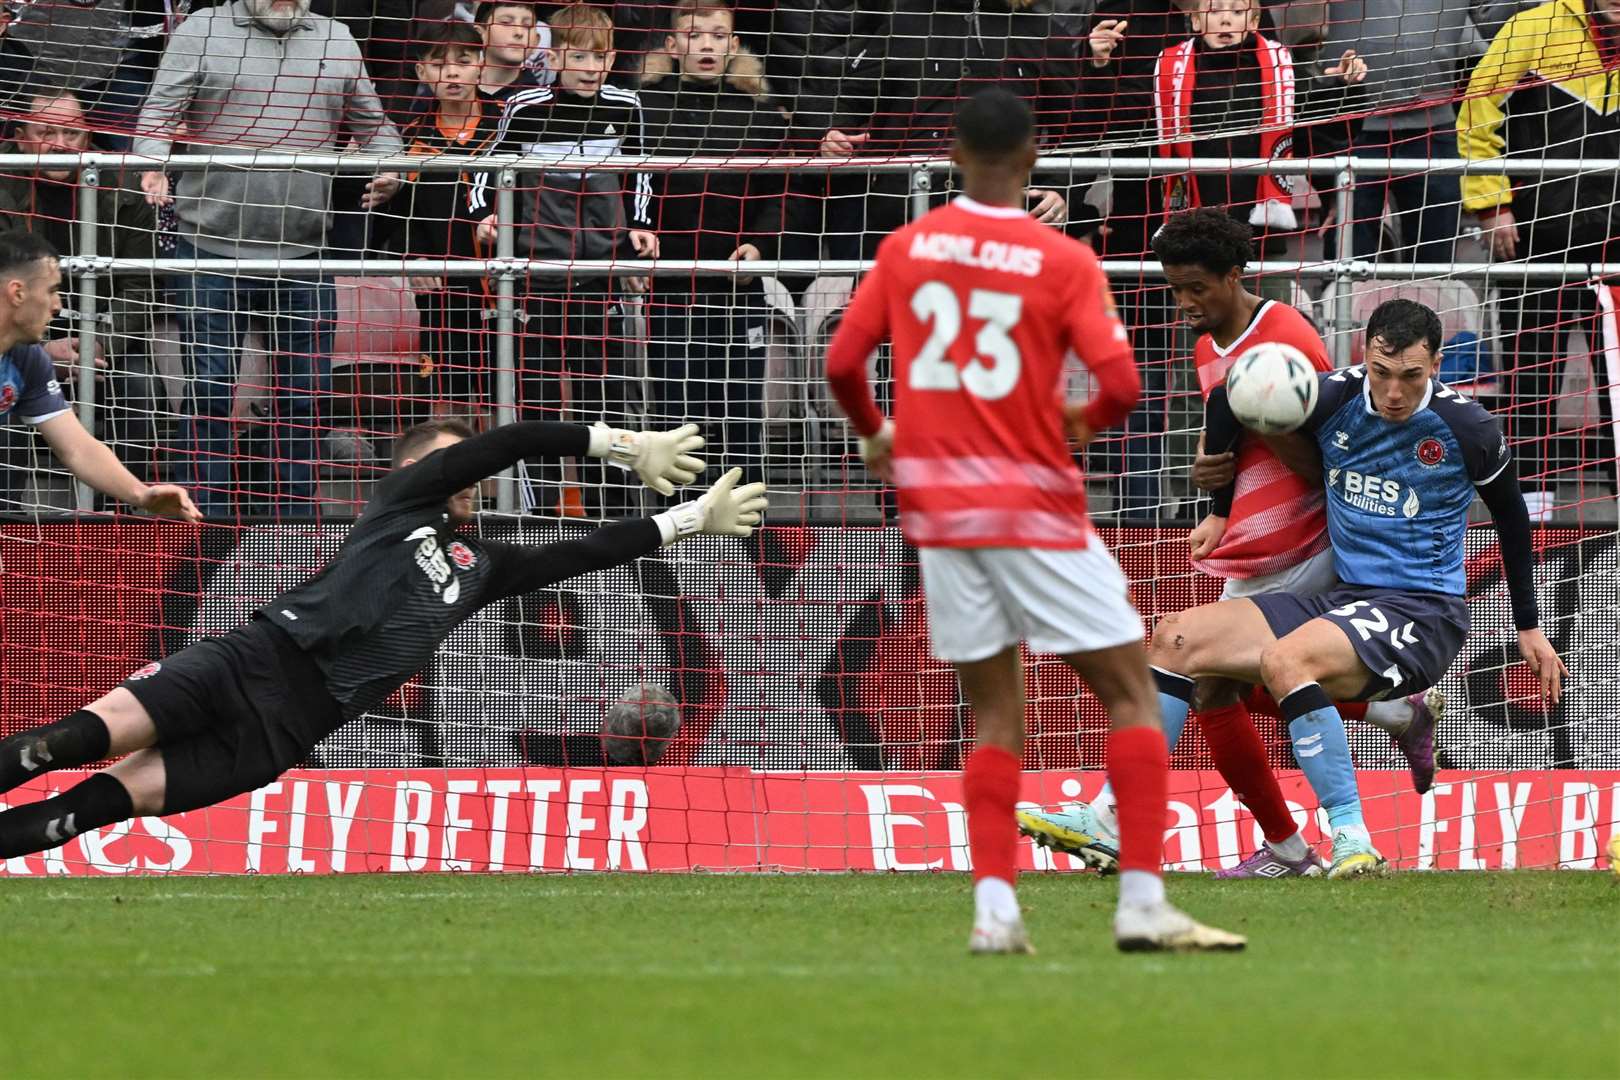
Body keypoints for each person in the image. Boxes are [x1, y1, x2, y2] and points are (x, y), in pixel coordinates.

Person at [825, 88, 1244, 954]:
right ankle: (1138, 903)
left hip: (939, 509)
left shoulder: (907, 248)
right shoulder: (1060, 260)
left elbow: (840, 360)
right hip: (1032, 499)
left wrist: (877, 438)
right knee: (1132, 692)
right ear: (1032, 159)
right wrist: (1074, 429)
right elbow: (1123, 388)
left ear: (951, 154)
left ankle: (994, 915)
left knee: (992, 717)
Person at [0, 415, 767, 860]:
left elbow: (579, 553)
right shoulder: (401, 502)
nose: (466, 472)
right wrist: (622, 447)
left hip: (283, 733)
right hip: (248, 662)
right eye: (449, 460)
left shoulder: (482, 564)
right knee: (65, 740)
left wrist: (688, 520)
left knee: (88, 811)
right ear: (415, 468)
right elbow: (500, 445)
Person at [1017, 210, 1439, 877]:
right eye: (1174, 289)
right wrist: (1217, 489)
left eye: (1196, 289)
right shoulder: (1206, 346)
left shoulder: (1288, 335)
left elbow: (1336, 453)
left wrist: (1262, 435)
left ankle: (1136, 820)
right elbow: (1229, 425)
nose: (1184, 303)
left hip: (1304, 544)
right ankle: (1375, 735)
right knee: (1221, 689)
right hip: (1251, 543)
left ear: (1234, 275)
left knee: (1193, 664)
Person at [1121, 299, 1566, 877]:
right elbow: (1231, 394)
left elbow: (1512, 518)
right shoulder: (1336, 396)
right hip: (1343, 596)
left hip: (1423, 610)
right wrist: (1218, 507)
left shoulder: (1468, 428)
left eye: (1411, 376)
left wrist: (1528, 626)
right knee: (1175, 640)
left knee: (1285, 662)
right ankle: (1117, 817)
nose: (1394, 393)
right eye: (1382, 374)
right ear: (1366, 356)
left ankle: (1352, 838)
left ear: (1435, 363)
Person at [132, 0, 404, 518]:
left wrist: (391, 168)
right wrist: (152, 164)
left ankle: (297, 532)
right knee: (209, 395)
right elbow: (158, 113)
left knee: (305, 400)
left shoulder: (338, 38)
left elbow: (378, 127)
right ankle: (198, 528)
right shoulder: (202, 27)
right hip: (208, 247)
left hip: (305, 253)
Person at [469, 1, 657, 519]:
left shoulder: (628, 105)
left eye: (600, 58)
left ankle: (613, 516)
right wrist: (485, 214)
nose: (591, 68)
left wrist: (639, 226)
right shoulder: (525, 106)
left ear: (613, 58)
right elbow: (485, 166)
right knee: (538, 403)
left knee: (607, 401)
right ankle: (538, 513)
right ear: (554, 58)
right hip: (538, 276)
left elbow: (643, 170)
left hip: (602, 277)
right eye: (579, 57)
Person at [1458, 0, 1620, 522]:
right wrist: (1492, 205)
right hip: (1536, 231)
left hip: (1615, 239)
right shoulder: (1532, 26)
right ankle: (1529, 492)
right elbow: (1477, 111)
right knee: (1532, 364)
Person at [638, 0, 788, 480]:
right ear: (671, 44)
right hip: (670, 290)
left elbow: (784, 194)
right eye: (694, 33)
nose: (706, 44)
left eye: (718, 35)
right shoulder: (641, 108)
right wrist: (632, 248)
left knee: (742, 418)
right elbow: (623, 188)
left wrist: (762, 245)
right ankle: (679, 541)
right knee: (677, 420)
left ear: (734, 45)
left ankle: (750, 537)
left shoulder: (761, 116)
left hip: (739, 290)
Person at [0, 91, 166, 499]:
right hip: (17, 332)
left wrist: (98, 344)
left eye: (72, 133)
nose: (60, 143)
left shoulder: (127, 185)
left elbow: (141, 288)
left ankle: (126, 521)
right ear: (20, 137)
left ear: (88, 136)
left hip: (107, 334)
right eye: (46, 132)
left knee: (141, 389)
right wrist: (44, 346)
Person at [0, 230, 199, 520]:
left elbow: (78, 448)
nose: (58, 307)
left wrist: (141, 493)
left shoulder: (27, 359)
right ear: (17, 293)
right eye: (51, 291)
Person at [1151, 0, 1368, 235]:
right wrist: (1103, 67)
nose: (1226, 19)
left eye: (1237, 11)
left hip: (1260, 226)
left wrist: (1346, 87)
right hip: (1191, 226)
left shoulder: (1282, 68)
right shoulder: (1168, 69)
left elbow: (1331, 128)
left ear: (1254, 22)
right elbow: (1132, 128)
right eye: (1214, 10)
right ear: (1195, 20)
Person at [382, 22, 505, 420]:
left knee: (510, 393)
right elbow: (393, 214)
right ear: (421, 72)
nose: (452, 73)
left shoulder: (510, 124)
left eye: (463, 62)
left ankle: (513, 482)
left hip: (511, 286)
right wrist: (414, 259)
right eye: (439, 64)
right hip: (442, 287)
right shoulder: (409, 137)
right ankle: (457, 481)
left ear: (481, 68)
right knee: (449, 397)